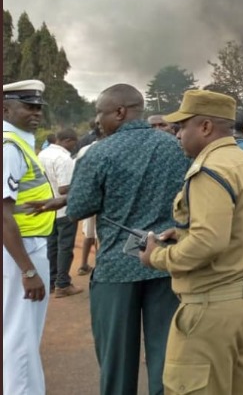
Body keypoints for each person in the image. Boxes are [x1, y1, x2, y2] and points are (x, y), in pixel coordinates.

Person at [56, 84, 189, 395]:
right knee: (167, 357)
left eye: (100, 112)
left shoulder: (100, 152)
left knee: (117, 360)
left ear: (119, 112)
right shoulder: (176, 148)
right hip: (165, 264)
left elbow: (77, 208)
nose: (97, 119)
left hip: (117, 267)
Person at [140, 90, 243, 394]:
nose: (177, 135)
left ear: (205, 127)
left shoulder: (209, 170)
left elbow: (208, 243)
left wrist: (156, 258)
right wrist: (183, 234)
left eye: (181, 127)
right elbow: (237, 226)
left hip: (214, 306)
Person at [3, 80, 56, 394]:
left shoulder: (20, 142)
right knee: (21, 339)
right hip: (20, 252)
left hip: (22, 249)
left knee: (22, 336)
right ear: (5, 108)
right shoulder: (9, 147)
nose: (36, 113)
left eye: (38, 107)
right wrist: (27, 270)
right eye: (28, 106)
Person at [38, 127, 83, 297]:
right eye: (74, 142)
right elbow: (63, 188)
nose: (74, 146)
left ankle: (51, 281)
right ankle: (63, 284)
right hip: (63, 209)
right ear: (67, 141)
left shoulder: (42, 154)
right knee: (65, 246)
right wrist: (83, 183)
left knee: (52, 246)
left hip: (47, 209)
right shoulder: (63, 158)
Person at [73, 124, 103, 276]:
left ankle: (83, 264)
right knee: (101, 234)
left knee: (89, 234)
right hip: (104, 200)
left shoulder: (84, 150)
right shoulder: (110, 148)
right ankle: (101, 266)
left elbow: (76, 174)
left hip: (87, 198)